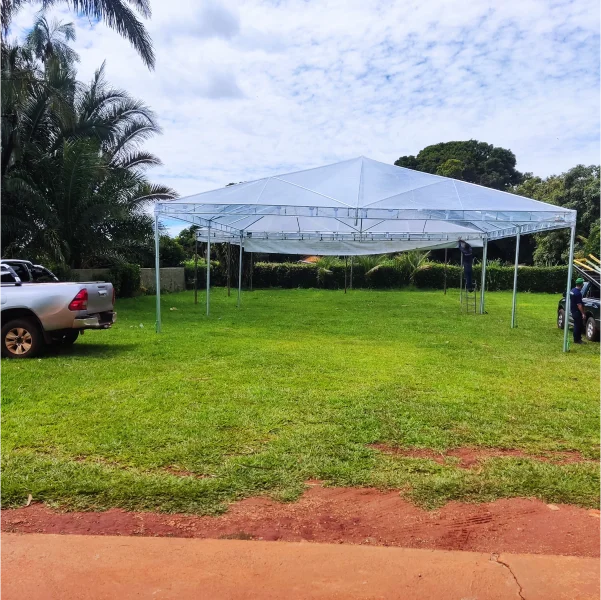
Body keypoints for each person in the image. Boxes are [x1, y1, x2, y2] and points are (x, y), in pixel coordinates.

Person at [570, 277, 587, 344]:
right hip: (577, 311)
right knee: (578, 325)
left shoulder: (572, 290)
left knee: (576, 325)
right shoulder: (578, 293)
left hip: (573, 310)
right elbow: (579, 305)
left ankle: (576, 339)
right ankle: (577, 340)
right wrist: (583, 313)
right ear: (582, 285)